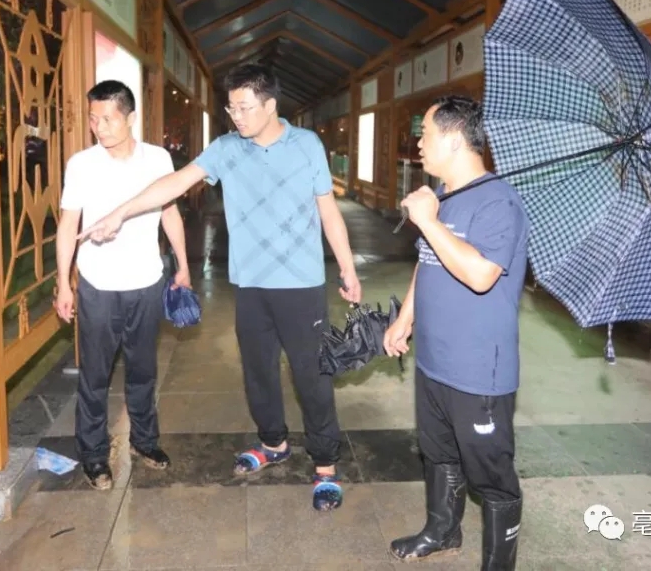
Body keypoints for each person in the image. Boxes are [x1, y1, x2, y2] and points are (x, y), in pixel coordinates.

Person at [78, 62, 363, 511]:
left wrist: (347, 266)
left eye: (245, 108)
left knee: (312, 375)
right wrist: (121, 212)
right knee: (258, 372)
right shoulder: (227, 148)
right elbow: (174, 183)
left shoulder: (307, 145)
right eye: (232, 108)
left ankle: (325, 463)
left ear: (270, 105)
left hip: (301, 284)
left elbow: (327, 210)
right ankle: (273, 443)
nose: (237, 117)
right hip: (249, 284)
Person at [383, 95, 528, 569]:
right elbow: (428, 262)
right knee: (438, 452)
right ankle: (442, 531)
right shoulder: (444, 196)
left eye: (425, 133)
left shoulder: (500, 202)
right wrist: (405, 319)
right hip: (434, 360)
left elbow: (481, 275)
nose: (419, 143)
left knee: (491, 475)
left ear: (452, 138)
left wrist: (427, 221)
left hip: (478, 371)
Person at [54, 80, 191, 490]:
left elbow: (170, 213)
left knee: (143, 370)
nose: (99, 127)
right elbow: (68, 225)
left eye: (108, 119)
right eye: (93, 119)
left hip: (146, 281)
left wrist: (183, 265)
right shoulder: (82, 164)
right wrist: (64, 282)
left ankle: (144, 441)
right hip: (98, 285)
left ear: (130, 118)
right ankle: (94, 455)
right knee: (94, 375)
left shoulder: (157, 158)